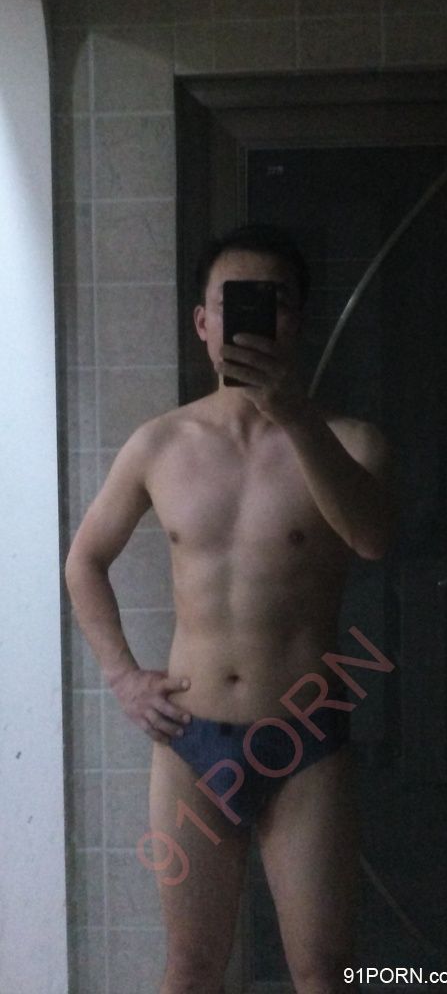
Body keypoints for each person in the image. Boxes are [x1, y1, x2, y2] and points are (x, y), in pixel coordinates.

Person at [65, 224, 398, 994]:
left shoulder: (351, 441)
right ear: (203, 322)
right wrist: (122, 676)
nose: (254, 317)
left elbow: (373, 538)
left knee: (322, 973)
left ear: (297, 319)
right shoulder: (158, 444)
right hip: (191, 740)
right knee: (190, 969)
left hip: (304, 740)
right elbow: (84, 562)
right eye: (234, 301)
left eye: (273, 300)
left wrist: (296, 417)